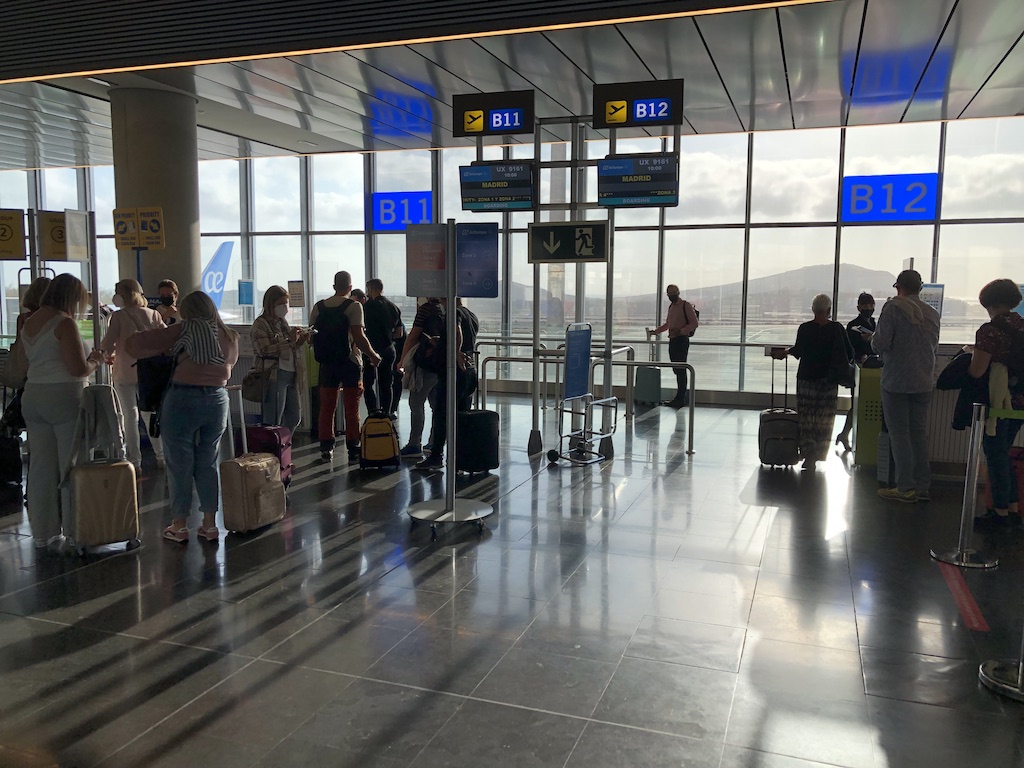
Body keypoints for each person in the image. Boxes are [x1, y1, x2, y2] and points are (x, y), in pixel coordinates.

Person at [125, 291, 239, 543]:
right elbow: (229, 364)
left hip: (182, 400)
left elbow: (133, 345)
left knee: (179, 463)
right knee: (208, 461)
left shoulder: (183, 330)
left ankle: (179, 525)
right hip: (217, 400)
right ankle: (209, 524)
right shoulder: (229, 335)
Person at [21, 274, 106, 553]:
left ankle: (43, 532)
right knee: (72, 465)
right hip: (65, 397)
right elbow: (78, 369)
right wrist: (96, 360)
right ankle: (75, 530)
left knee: (40, 467)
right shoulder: (64, 323)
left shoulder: (29, 321)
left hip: (33, 395)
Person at [871, 269, 941, 503]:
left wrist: (871, 340)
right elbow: (933, 346)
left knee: (899, 434)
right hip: (924, 381)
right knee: (918, 434)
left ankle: (905, 487)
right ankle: (922, 486)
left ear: (898, 287)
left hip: (897, 381)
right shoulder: (932, 313)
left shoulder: (893, 308)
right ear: (920, 288)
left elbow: (881, 343)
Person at [773, 293, 854, 471]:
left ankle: (808, 453)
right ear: (829, 310)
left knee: (806, 417)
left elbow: (798, 350)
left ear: (813, 309)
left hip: (806, 379)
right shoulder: (837, 329)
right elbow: (849, 352)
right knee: (824, 419)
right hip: (828, 381)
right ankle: (818, 453)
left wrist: (785, 352)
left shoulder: (805, 328)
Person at [967, 279, 1024, 527]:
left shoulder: (989, 331)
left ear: (988, 303)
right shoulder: (1022, 326)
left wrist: (971, 355)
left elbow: (977, 371)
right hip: (1020, 400)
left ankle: (1000, 513)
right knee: (1003, 452)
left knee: (995, 454)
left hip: (998, 401)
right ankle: (1012, 510)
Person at [309, 271, 381, 463]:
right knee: (352, 407)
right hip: (350, 362)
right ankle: (353, 448)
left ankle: (326, 448)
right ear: (350, 287)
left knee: (327, 407)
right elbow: (359, 336)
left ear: (334, 286)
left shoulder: (318, 307)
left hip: (326, 362)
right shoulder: (354, 306)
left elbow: (311, 337)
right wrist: (373, 355)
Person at [99, 278, 166, 470]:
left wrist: (104, 356)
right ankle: (161, 456)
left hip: (125, 371)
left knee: (129, 416)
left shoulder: (119, 316)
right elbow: (165, 338)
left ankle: (135, 461)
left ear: (124, 295)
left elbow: (108, 344)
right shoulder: (154, 314)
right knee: (150, 414)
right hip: (149, 373)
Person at [413, 298, 477, 470]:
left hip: (454, 372)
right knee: (461, 415)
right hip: (470, 370)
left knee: (441, 414)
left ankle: (436, 456)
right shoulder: (471, 315)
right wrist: (441, 342)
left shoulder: (453, 313)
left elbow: (457, 332)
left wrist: (455, 352)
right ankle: (460, 459)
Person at [250, 286, 306, 434]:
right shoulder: (260, 324)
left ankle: (284, 442)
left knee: (294, 416)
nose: (284, 308)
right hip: (273, 375)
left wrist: (300, 340)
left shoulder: (282, 322)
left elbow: (290, 346)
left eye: (286, 303)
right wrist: (289, 340)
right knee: (273, 418)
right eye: (281, 304)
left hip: (290, 373)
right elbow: (264, 350)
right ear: (270, 304)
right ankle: (272, 445)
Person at [396, 298, 441, 458]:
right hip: (440, 364)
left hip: (425, 364)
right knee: (436, 405)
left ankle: (414, 444)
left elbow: (413, 336)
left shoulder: (425, 310)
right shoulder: (445, 309)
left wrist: (402, 360)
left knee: (416, 403)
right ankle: (435, 442)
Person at [835, 292, 877, 451]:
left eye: (871, 305)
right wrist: (862, 354)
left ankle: (844, 435)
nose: (868, 308)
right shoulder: (853, 325)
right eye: (865, 305)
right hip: (860, 368)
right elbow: (850, 349)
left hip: (874, 367)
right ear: (859, 307)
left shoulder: (875, 323)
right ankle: (845, 434)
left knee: (863, 404)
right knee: (857, 404)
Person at [647, 284, 698, 407]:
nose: (671, 296)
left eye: (673, 294)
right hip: (673, 340)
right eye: (669, 294)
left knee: (680, 369)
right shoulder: (672, 307)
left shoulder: (685, 305)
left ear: (678, 293)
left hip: (681, 340)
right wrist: (656, 332)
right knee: (677, 369)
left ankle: (681, 397)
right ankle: (681, 396)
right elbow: (668, 324)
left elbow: (694, 323)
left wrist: (681, 331)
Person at [362, 278, 402, 418]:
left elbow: (361, 329)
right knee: (386, 383)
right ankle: (387, 412)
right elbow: (399, 333)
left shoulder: (368, 306)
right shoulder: (393, 307)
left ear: (371, 289)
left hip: (372, 350)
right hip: (389, 349)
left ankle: (373, 412)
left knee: (368, 383)